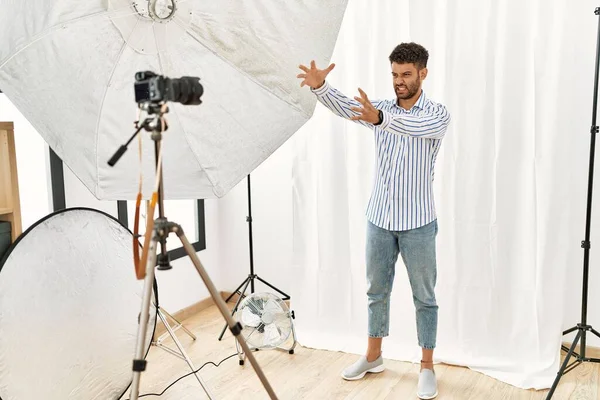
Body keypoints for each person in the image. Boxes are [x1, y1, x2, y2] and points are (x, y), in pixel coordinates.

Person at [297, 42, 450, 400]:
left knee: (424, 297)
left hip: (418, 222)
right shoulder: (378, 107)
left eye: (406, 75)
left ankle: (426, 367)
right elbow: (350, 108)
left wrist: (380, 119)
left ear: (422, 74)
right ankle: (373, 356)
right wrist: (321, 87)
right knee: (375, 292)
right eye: (395, 74)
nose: (399, 81)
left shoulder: (437, 114)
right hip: (379, 218)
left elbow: (411, 127)